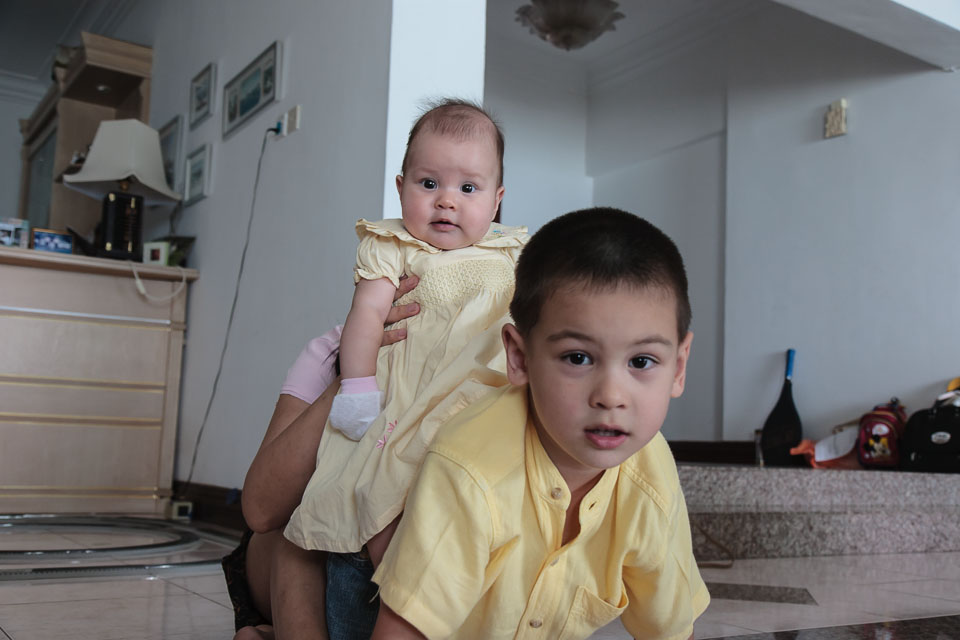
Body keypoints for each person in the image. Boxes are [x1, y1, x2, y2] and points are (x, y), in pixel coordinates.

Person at [368, 207, 710, 639]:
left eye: (641, 361)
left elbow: (671, 631)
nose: (611, 396)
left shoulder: (651, 477)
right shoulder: (470, 465)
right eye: (577, 358)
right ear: (520, 357)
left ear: (678, 367)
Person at [284, 97, 527, 567]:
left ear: (497, 200)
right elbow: (367, 315)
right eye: (429, 183)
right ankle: (391, 587)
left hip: (483, 396)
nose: (447, 200)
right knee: (385, 492)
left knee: (478, 504)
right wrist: (357, 389)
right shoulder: (393, 245)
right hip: (406, 394)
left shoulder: (513, 252)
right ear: (401, 188)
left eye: (469, 188)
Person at [224, 276, 422, 640]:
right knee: (304, 532)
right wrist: (356, 371)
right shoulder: (331, 350)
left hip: (387, 547)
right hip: (288, 548)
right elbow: (261, 510)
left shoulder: (483, 352)